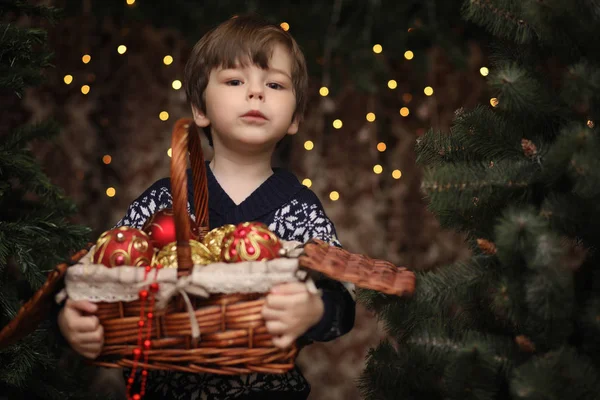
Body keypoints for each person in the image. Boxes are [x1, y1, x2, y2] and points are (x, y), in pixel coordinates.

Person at [57, 14, 355, 400]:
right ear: (200, 109)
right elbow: (101, 269)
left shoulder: (300, 209)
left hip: (267, 391)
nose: (256, 93)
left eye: (275, 84)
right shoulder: (165, 200)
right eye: (235, 81)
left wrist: (313, 311)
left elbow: (341, 298)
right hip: (167, 390)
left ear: (296, 118)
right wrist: (69, 316)